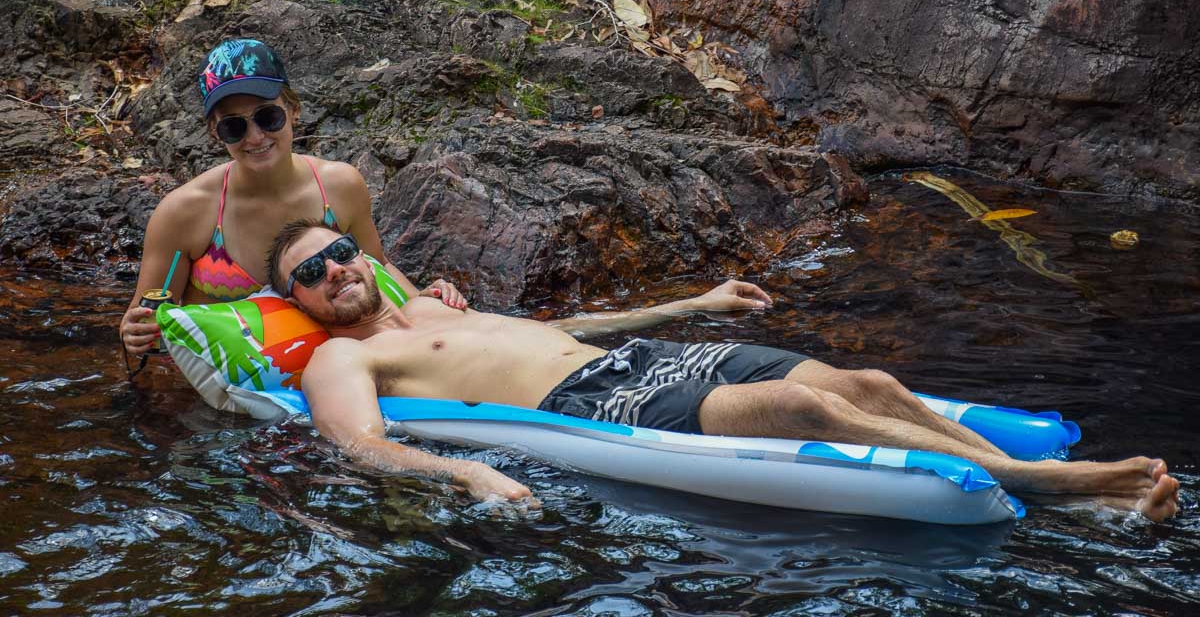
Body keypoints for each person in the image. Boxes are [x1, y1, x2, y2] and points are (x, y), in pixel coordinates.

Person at [269, 219, 1181, 522]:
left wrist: (692, 303)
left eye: (340, 249)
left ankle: (1054, 487)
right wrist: (467, 471)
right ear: (299, 304)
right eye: (309, 272)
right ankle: (1051, 485)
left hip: (635, 356)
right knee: (795, 404)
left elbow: (565, 326)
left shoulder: (437, 305)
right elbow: (359, 443)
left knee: (865, 385)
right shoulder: (346, 356)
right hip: (593, 401)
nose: (335, 269)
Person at [119, 38, 467, 357]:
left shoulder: (339, 186)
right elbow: (146, 317)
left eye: (268, 117)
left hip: (342, 369)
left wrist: (423, 301)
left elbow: (377, 266)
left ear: (293, 110)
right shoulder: (185, 213)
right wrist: (135, 334)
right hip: (240, 394)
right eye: (233, 126)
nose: (255, 137)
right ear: (214, 132)